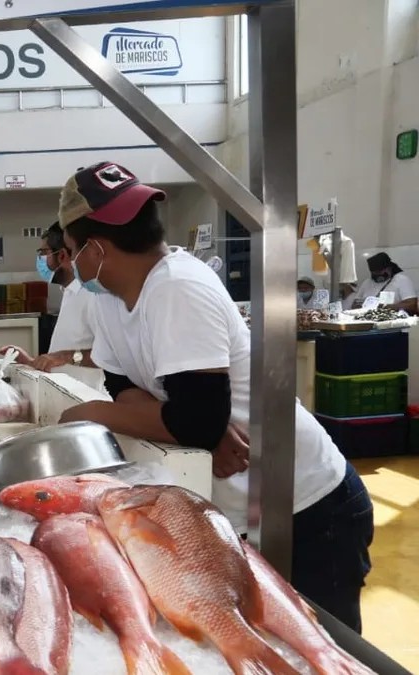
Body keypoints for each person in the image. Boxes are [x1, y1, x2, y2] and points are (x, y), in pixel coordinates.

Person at [53, 162, 373, 632]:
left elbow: (189, 419)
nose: (69, 262)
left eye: (69, 251)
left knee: (316, 650)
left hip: (306, 509)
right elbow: (124, 389)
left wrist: (87, 414)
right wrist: (190, 424)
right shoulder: (107, 300)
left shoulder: (177, 287)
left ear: (94, 249)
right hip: (237, 504)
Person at [0, 223, 104, 391]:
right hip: (64, 396)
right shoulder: (70, 293)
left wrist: (66, 356)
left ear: (62, 255)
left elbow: (112, 357)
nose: (40, 259)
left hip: (86, 400)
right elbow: (60, 358)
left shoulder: (92, 296)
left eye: (44, 252)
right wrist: (32, 362)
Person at [350, 252, 417, 315]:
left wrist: (383, 307)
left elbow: (411, 305)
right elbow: (354, 305)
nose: (377, 274)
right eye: (374, 272)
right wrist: (365, 306)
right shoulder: (366, 283)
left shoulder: (401, 280)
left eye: (379, 271)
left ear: (389, 268)